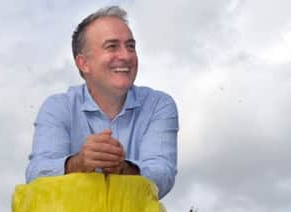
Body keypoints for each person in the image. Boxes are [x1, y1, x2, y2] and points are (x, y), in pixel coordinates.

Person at [25, 6, 178, 200]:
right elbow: (36, 175)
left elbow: (163, 174)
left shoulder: (159, 105)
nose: (126, 55)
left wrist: (123, 168)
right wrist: (78, 163)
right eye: (112, 46)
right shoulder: (57, 107)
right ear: (84, 64)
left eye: (130, 46)